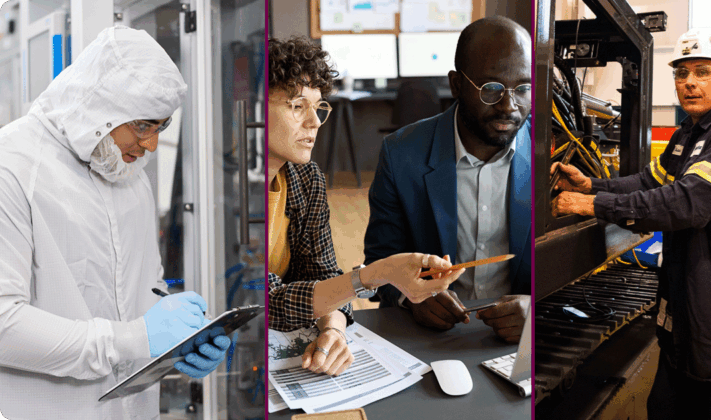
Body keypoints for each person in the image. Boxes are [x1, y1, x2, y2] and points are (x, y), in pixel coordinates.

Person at [551, 29, 711, 420]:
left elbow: (690, 203)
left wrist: (595, 205)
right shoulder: (687, 135)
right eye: (681, 74)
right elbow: (650, 182)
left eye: (702, 72)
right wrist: (592, 184)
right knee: (665, 407)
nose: (690, 82)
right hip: (687, 315)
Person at [0, 26, 230, 419]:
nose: (151, 145)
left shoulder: (128, 172)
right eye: (143, 125)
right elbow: (4, 325)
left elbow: (142, 289)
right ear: (100, 108)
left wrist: (184, 339)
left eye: (161, 126)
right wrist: (135, 338)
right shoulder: (14, 167)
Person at [268, 36, 465, 376]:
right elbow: (268, 301)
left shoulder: (305, 177)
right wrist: (377, 273)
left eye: (318, 106)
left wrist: (332, 330)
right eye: (298, 106)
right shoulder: (223, 192)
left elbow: (324, 274)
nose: (314, 122)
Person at [363, 16, 532, 343]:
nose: (509, 106)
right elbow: (379, 264)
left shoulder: (553, 153)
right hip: (429, 337)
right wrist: (409, 297)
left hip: (520, 340)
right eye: (491, 89)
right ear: (456, 85)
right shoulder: (401, 154)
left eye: (523, 87)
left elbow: (574, 269)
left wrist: (536, 311)